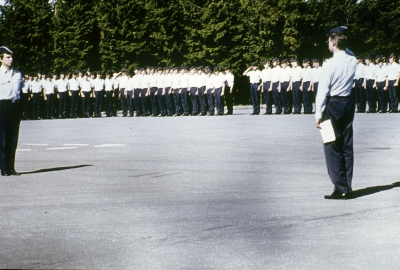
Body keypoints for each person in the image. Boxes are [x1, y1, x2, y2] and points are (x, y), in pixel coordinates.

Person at [315, 26, 357, 200]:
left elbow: (322, 91)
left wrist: (318, 113)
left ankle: (340, 188)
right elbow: (349, 51)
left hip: (332, 105)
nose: (327, 44)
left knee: (331, 146)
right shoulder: (352, 60)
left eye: (329, 41)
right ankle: (347, 185)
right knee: (346, 145)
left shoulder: (329, 64)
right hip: (347, 103)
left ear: (333, 41)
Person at [0, 46, 24, 176]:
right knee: (3, 138)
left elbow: (22, 92)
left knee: (13, 138)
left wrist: (22, 109)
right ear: (1, 58)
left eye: (11, 57)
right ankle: (3, 168)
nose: (11, 59)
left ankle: (11, 167)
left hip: (15, 106)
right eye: (8, 57)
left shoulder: (18, 73)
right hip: (2, 106)